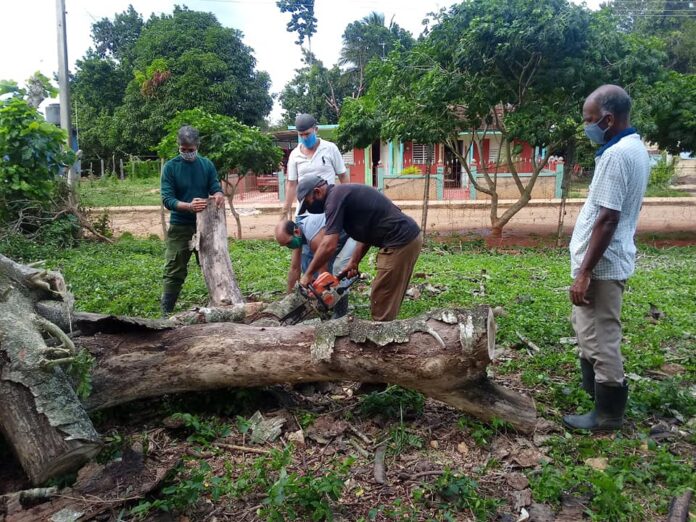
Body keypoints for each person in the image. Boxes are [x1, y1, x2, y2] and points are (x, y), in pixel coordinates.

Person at [562, 85, 650, 432]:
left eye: (590, 120)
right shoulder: (634, 148)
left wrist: (584, 271)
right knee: (585, 325)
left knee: (602, 333)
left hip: (602, 265)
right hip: (606, 260)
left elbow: (608, 218)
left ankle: (608, 413)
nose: (587, 127)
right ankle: (593, 390)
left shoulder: (616, 156)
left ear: (608, 119)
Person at [296, 175, 423, 322]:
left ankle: (383, 339)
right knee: (384, 295)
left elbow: (328, 244)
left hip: (401, 241)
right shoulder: (339, 196)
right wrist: (354, 261)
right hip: (403, 240)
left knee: (382, 296)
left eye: (308, 203)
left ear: (317, 192)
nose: (309, 208)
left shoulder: (334, 199)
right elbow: (367, 231)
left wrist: (308, 275)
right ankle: (384, 333)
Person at [160, 125, 225, 315]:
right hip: (180, 225)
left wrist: (218, 193)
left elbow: (214, 185)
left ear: (198, 145)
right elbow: (167, 199)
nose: (187, 153)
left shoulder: (206, 165)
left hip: (205, 225)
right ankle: (166, 311)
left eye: (191, 150)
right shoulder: (171, 167)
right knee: (174, 267)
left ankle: (220, 303)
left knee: (213, 265)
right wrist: (188, 206)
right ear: (178, 146)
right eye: (183, 150)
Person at [275, 215, 356, 317]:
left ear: (296, 232)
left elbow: (324, 274)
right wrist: (290, 299)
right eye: (285, 245)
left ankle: (340, 313)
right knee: (309, 265)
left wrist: (319, 295)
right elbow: (294, 268)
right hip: (335, 237)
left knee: (339, 267)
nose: (289, 246)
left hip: (355, 231)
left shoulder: (313, 237)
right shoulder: (297, 235)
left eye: (288, 243)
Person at [282, 113, 348, 219]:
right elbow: (291, 184)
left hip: (328, 210)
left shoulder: (330, 149)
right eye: (301, 135)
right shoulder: (294, 155)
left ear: (315, 129)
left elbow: (343, 176)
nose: (304, 137)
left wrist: (347, 202)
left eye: (307, 134)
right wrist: (284, 213)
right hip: (304, 214)